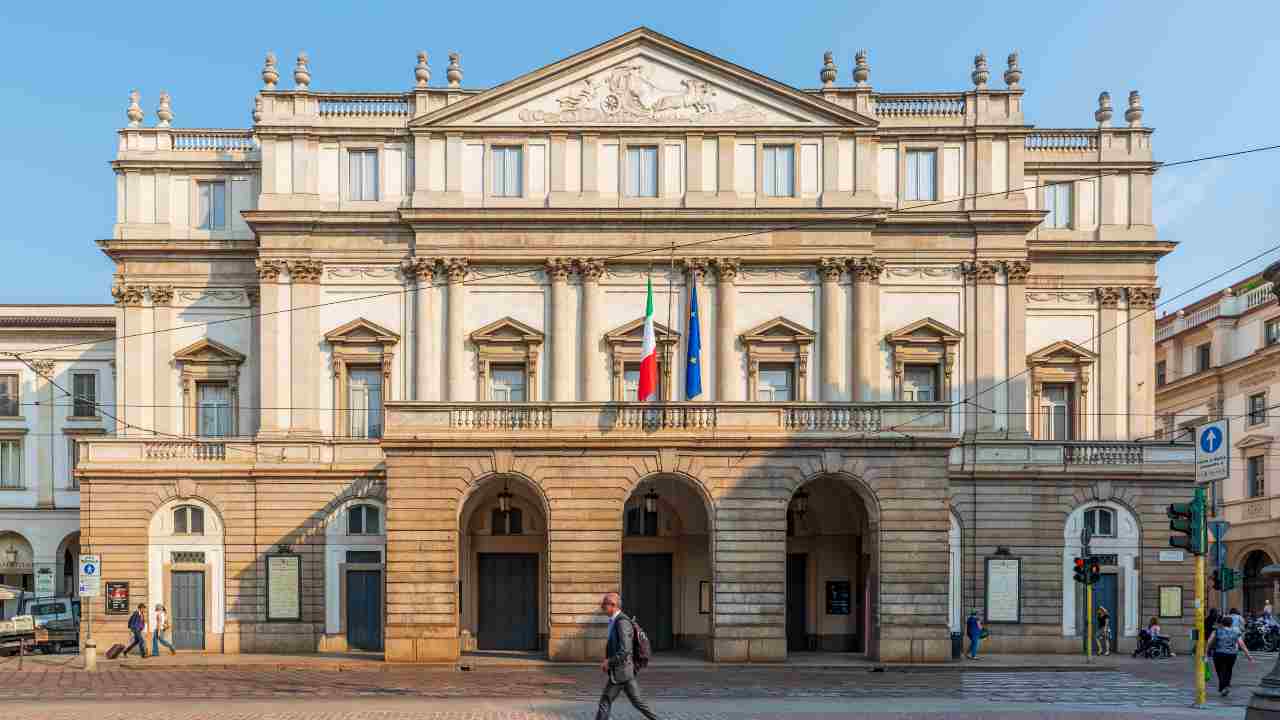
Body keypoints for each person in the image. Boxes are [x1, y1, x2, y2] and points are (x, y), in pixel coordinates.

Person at [594, 592, 659, 720]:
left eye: (604, 604)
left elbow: (625, 650)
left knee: (605, 701)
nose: (602, 607)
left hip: (621, 672)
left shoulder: (622, 622)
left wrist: (609, 662)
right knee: (639, 703)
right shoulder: (615, 621)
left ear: (613, 605)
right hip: (624, 672)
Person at [1206, 614, 1255, 697]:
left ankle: (1223, 687)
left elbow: (1209, 642)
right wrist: (1249, 657)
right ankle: (1226, 686)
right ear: (1231, 624)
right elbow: (1242, 645)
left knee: (1220, 671)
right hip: (1231, 654)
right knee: (1228, 670)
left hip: (1219, 654)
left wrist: (1206, 653)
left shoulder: (1217, 631)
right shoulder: (1236, 631)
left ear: (1222, 623)